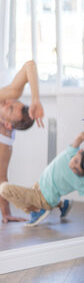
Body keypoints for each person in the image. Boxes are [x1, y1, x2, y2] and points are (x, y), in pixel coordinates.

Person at [0, 132, 84, 226]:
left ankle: (39, 209)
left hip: (45, 197)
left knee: (4, 189)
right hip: (40, 184)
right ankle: (62, 204)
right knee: (24, 196)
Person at [0, 60, 46, 223]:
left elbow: (1, 178)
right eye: (15, 103)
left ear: (7, 124)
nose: (9, 101)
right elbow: (30, 65)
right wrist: (35, 99)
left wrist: (5, 213)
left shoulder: (4, 144)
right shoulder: (4, 98)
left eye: (11, 109)